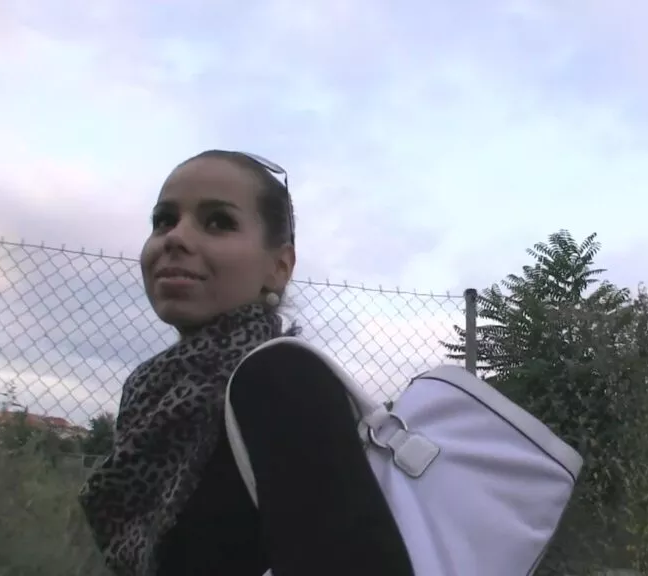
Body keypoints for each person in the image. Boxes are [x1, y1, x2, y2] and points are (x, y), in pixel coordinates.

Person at [78, 150, 415, 576]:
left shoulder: (280, 381)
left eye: (218, 222)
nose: (175, 238)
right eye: (164, 220)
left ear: (279, 267)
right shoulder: (152, 391)